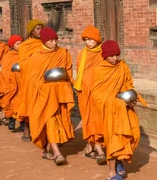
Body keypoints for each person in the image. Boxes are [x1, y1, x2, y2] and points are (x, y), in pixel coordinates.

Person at [91, 41, 146, 180]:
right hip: (110, 111)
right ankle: (111, 174)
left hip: (124, 109)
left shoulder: (122, 66)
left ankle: (120, 161)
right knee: (114, 140)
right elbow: (97, 95)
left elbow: (128, 84)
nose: (115, 58)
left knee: (132, 134)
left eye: (117, 55)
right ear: (105, 56)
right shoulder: (99, 70)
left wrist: (131, 97)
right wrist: (115, 102)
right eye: (112, 56)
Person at [27, 27, 75, 165]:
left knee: (58, 121)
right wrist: (44, 85)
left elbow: (68, 71)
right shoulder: (37, 56)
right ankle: (57, 153)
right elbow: (33, 79)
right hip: (45, 95)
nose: (54, 43)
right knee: (50, 120)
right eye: (50, 41)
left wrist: (71, 82)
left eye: (55, 40)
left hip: (60, 93)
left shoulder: (62, 53)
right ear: (44, 41)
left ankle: (47, 150)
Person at [74, 26, 105, 161]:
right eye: (85, 40)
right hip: (85, 92)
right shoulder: (82, 54)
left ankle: (90, 147)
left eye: (90, 39)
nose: (87, 42)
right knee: (89, 119)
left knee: (97, 119)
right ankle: (99, 150)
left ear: (97, 39)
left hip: (99, 92)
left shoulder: (103, 53)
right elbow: (79, 70)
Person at [17, 19, 45, 142]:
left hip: (43, 79)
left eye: (41, 28)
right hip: (29, 79)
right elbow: (23, 64)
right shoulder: (24, 46)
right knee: (29, 103)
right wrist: (36, 60)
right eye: (37, 29)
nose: (40, 31)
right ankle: (26, 129)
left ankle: (46, 133)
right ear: (31, 31)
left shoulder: (46, 43)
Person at [0, 35, 23, 131]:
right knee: (12, 102)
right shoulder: (7, 56)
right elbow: (4, 71)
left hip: (22, 83)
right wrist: (12, 78)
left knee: (22, 103)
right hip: (12, 84)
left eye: (21, 43)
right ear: (12, 45)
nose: (20, 45)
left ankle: (22, 123)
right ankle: (12, 120)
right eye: (17, 44)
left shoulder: (24, 55)